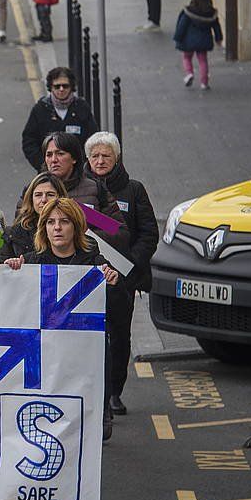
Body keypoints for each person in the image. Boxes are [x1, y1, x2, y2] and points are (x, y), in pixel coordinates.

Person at [3, 197, 122, 484]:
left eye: (64, 222)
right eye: (52, 222)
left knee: (78, 433)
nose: (58, 228)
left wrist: (114, 284)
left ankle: (74, 498)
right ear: (44, 228)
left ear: (76, 227)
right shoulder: (31, 263)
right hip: (43, 365)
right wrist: (10, 273)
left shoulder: (95, 264)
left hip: (82, 365)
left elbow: (117, 316)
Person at [85, 131, 157, 416]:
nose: (100, 161)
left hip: (123, 279)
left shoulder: (134, 189)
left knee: (119, 336)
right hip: (88, 278)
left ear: (117, 159)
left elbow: (149, 234)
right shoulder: (80, 191)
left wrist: (128, 266)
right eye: (95, 156)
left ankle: (115, 391)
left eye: (106, 156)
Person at [20, 67, 99, 170]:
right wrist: (43, 165)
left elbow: (93, 139)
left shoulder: (82, 107)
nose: (61, 89)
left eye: (65, 86)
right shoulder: (40, 109)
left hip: (79, 172)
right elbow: (29, 141)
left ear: (71, 87)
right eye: (57, 86)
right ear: (51, 87)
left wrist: (82, 165)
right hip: (48, 172)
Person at [1, 172, 68, 260]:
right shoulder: (14, 233)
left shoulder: (72, 229)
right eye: (38, 195)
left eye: (50, 194)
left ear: (61, 198)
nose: (43, 200)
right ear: (31, 199)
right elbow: (4, 269)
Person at [174, 0, 223, 90]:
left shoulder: (188, 12)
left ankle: (189, 73)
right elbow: (216, 27)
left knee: (187, 57)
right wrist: (218, 38)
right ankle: (204, 83)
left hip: (189, 41)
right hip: (203, 41)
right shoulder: (211, 13)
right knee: (203, 61)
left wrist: (178, 37)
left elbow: (182, 26)